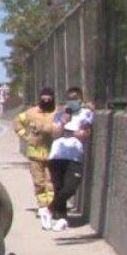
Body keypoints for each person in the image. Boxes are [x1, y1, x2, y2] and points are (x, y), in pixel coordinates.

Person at [47, 86, 94, 232]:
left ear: (81, 99)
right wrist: (64, 121)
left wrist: (69, 133)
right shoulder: (60, 114)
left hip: (74, 156)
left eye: (75, 98)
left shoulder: (86, 113)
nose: (73, 101)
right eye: (70, 99)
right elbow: (55, 133)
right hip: (57, 155)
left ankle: (50, 208)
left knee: (70, 187)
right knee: (58, 188)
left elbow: (85, 134)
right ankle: (61, 219)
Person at [14, 87, 58, 229]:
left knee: (51, 182)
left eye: (49, 97)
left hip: (52, 154)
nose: (46, 99)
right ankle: (42, 207)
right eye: (44, 97)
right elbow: (17, 123)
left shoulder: (57, 112)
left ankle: (50, 207)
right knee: (39, 183)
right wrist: (26, 137)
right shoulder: (31, 113)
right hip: (35, 154)